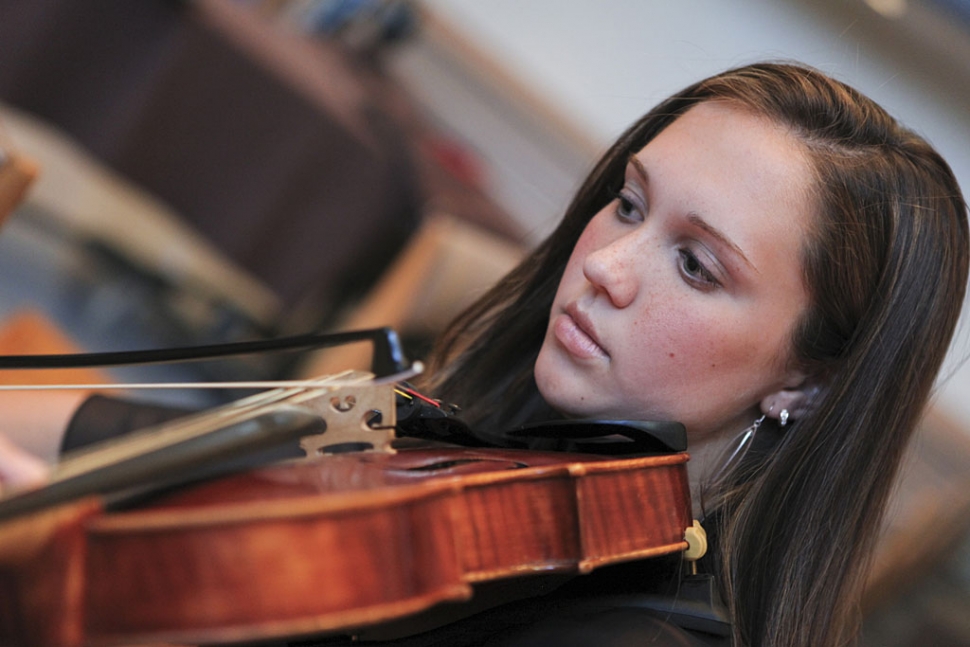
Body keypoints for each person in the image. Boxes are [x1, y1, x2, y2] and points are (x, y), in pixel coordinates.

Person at [0, 61, 967, 647]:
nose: (607, 266)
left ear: (806, 380)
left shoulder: (631, 633)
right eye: (627, 203)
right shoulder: (455, 426)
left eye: (696, 265)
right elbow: (168, 437)